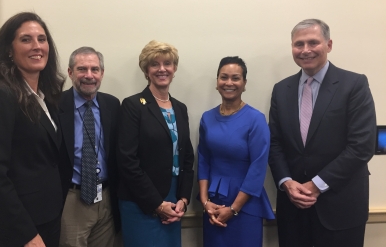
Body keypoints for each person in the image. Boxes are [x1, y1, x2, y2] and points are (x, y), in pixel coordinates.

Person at [268, 19, 376, 247]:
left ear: (329, 44)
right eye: (299, 44)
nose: (305, 50)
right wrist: (287, 182)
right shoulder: (281, 90)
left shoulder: (354, 84)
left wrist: (315, 185)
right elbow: (275, 143)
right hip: (293, 207)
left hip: (341, 208)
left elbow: (361, 146)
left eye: (313, 42)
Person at [0, 12, 66, 247]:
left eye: (42, 39)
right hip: (16, 229)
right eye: (26, 39)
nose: (37, 46)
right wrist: (26, 234)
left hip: (47, 219)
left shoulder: (45, 97)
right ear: (8, 51)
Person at [117, 40, 194, 247]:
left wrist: (184, 200)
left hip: (175, 200)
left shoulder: (180, 108)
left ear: (174, 68)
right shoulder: (133, 106)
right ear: (146, 70)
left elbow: (187, 158)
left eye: (167, 63)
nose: (162, 69)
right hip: (141, 202)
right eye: (155, 64)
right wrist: (157, 204)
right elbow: (127, 160)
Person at [198, 56, 275, 247]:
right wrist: (205, 201)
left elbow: (258, 167)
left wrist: (233, 209)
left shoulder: (256, 119)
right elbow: (203, 160)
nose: (229, 83)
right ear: (217, 82)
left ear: (244, 83)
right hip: (213, 203)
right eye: (224, 77)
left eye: (236, 78)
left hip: (245, 203)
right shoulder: (207, 118)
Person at [58, 46, 120, 247]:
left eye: (95, 69)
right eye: (82, 69)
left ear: (102, 73)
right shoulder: (55, 105)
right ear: (70, 72)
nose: (89, 75)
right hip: (72, 199)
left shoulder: (112, 104)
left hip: (106, 198)